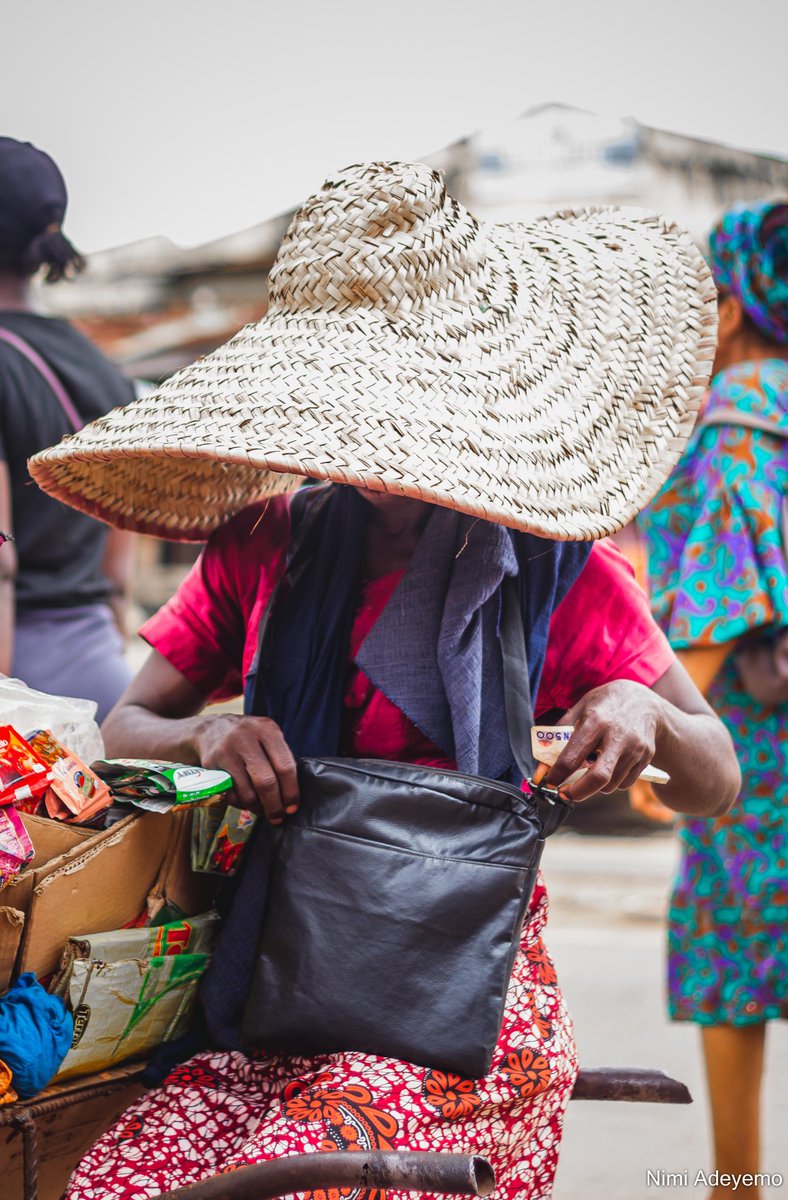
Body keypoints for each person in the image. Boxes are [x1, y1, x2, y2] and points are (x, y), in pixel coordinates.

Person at [30, 162, 740, 1200]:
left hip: (474, 994)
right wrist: (208, 738)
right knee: (123, 1174)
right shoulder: (265, 544)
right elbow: (127, 726)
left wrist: (643, 710)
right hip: (281, 974)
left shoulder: (558, 569)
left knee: (332, 1149)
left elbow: (713, 778)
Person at [636, 201, 787, 1200]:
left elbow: (715, 606)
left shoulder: (735, 419)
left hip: (753, 744)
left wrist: (663, 738)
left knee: (738, 962)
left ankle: (732, 1185)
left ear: (727, 305)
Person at [0, 136, 134, 720]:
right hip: (100, 677)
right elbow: (120, 567)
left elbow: (0, 563)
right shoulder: (105, 369)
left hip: (18, 681)